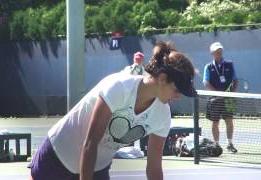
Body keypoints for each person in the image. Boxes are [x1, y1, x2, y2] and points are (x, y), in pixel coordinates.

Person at [30, 41, 196, 180]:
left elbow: (153, 167)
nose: (178, 97)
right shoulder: (119, 88)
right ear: (162, 79)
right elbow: (90, 143)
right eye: (177, 90)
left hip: (97, 167)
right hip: (57, 157)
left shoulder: (162, 115)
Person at [203, 42, 238, 153]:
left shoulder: (229, 64)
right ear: (212, 53)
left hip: (228, 98)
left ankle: (230, 143)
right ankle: (217, 145)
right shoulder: (208, 67)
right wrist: (218, 94)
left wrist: (231, 93)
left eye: (220, 51)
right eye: (217, 51)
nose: (219, 53)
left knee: (229, 121)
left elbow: (235, 80)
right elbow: (206, 83)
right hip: (215, 99)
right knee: (215, 122)